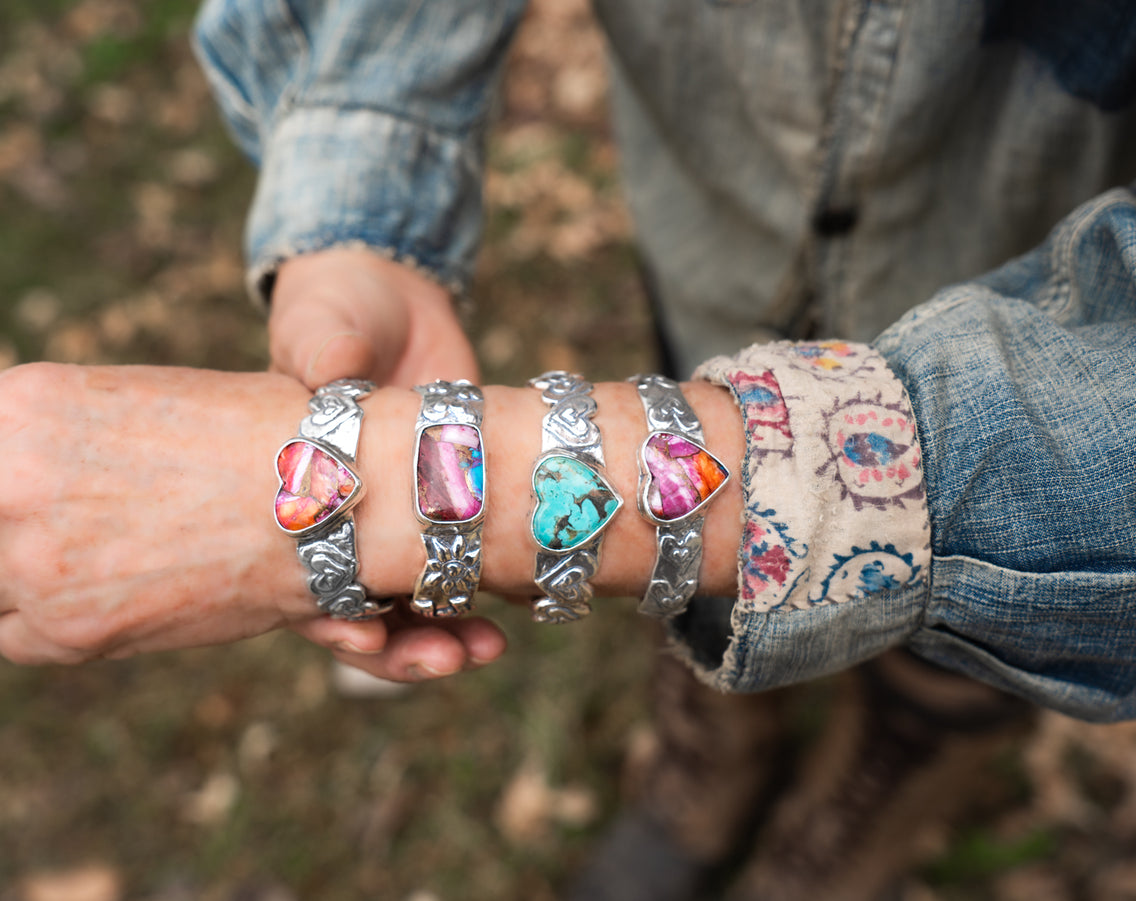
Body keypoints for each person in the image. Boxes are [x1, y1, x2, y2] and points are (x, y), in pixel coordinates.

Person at [184, 2, 1136, 899]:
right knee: (703, 553)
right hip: (715, 228)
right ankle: (719, 740)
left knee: (982, 585)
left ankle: (901, 756)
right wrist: (361, 190)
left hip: (1034, 274)